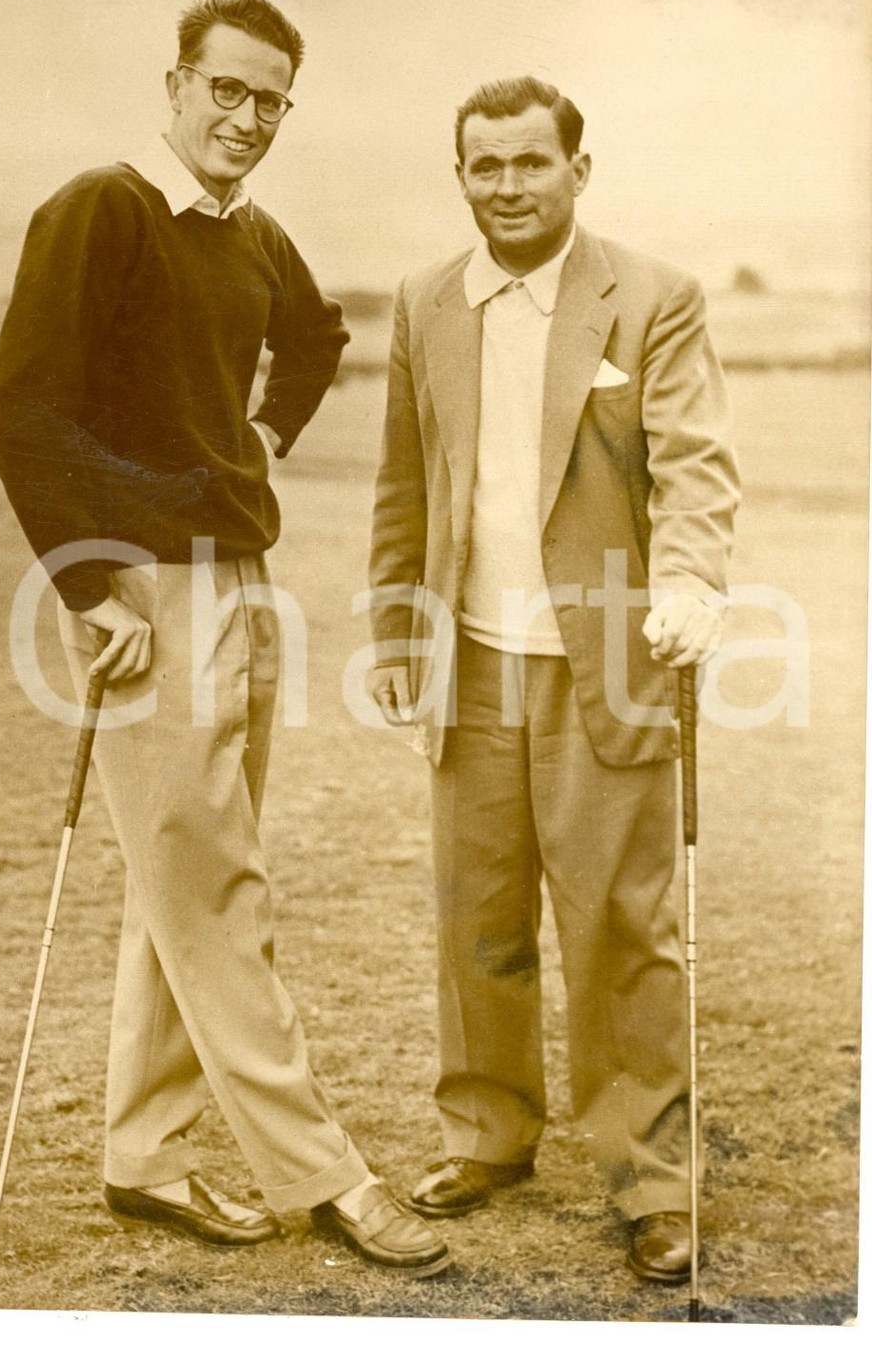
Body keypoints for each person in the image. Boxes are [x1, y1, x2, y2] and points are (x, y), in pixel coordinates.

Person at [0, 0, 450, 1279]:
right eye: (226, 90)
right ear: (177, 84)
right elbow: (24, 411)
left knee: (182, 879)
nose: (247, 119)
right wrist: (86, 584)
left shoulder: (252, 230)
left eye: (270, 100)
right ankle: (326, 1176)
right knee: (217, 886)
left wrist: (257, 439)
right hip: (140, 593)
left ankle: (141, 1152)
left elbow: (316, 337)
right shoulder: (106, 205)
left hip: (239, 575)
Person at [367, 75, 739, 1282]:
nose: (508, 186)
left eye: (532, 163)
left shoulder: (655, 298)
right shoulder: (426, 301)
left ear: (580, 170)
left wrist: (689, 582)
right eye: (486, 166)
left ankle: (649, 1177)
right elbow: (403, 483)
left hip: (612, 662)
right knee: (478, 915)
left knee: (622, 924)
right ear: (460, 176)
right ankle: (487, 1133)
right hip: (469, 655)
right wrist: (394, 628)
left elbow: (693, 462)